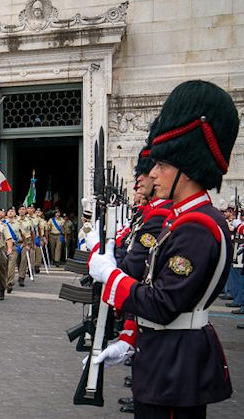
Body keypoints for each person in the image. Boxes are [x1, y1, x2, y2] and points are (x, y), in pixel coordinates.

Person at [89, 80, 237, 418]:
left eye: (163, 166)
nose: (154, 173)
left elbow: (163, 302)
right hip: (164, 355)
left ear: (184, 172)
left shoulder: (197, 227)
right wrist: (129, 339)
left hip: (175, 364)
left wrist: (111, 277)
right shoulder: (186, 221)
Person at [3, 208, 22, 293]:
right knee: (4, 266)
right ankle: (4, 281)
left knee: (11, 265)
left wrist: (23, 244)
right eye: (9, 211)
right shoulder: (2, 223)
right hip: (3, 246)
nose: (11, 212)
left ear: (15, 213)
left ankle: (9, 283)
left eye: (12, 211)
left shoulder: (18, 223)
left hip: (14, 247)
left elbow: (24, 235)